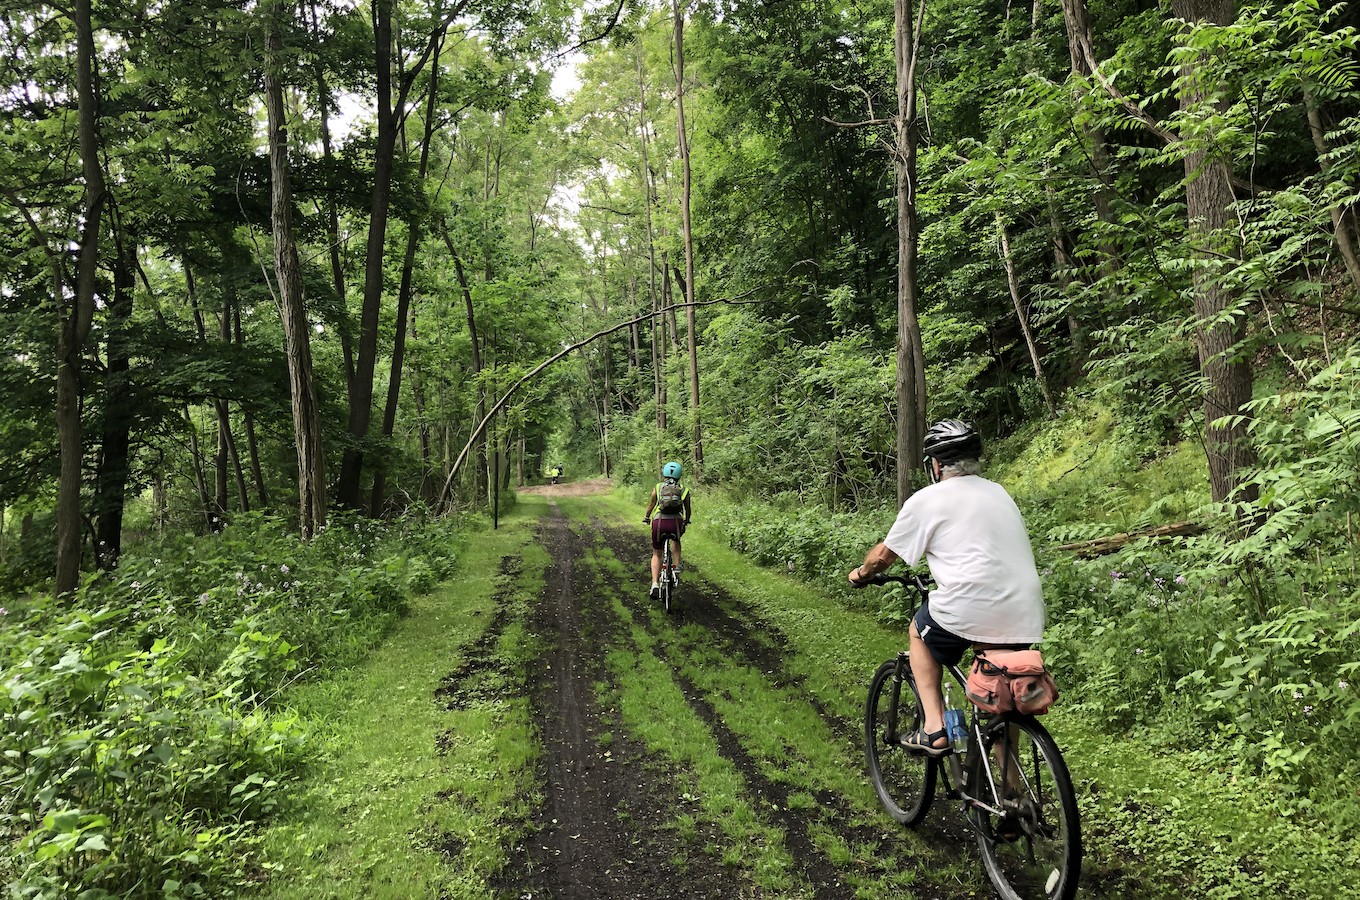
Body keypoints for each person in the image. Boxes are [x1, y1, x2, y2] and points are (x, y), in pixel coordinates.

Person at [847, 419, 1044, 756]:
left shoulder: (928, 499)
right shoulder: (999, 493)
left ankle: (934, 728)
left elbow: (883, 556)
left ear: (936, 464)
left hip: (970, 604)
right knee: (999, 697)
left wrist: (862, 574)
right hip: (1024, 608)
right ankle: (1012, 794)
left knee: (918, 631)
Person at [643, 461, 692, 599]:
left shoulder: (658, 487)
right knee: (676, 540)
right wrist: (686, 520)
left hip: (659, 523)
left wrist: (646, 517)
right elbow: (688, 510)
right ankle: (676, 568)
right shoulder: (684, 490)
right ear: (679, 475)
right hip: (676, 522)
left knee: (657, 553)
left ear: (665, 473)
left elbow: (651, 505)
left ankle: (654, 584)